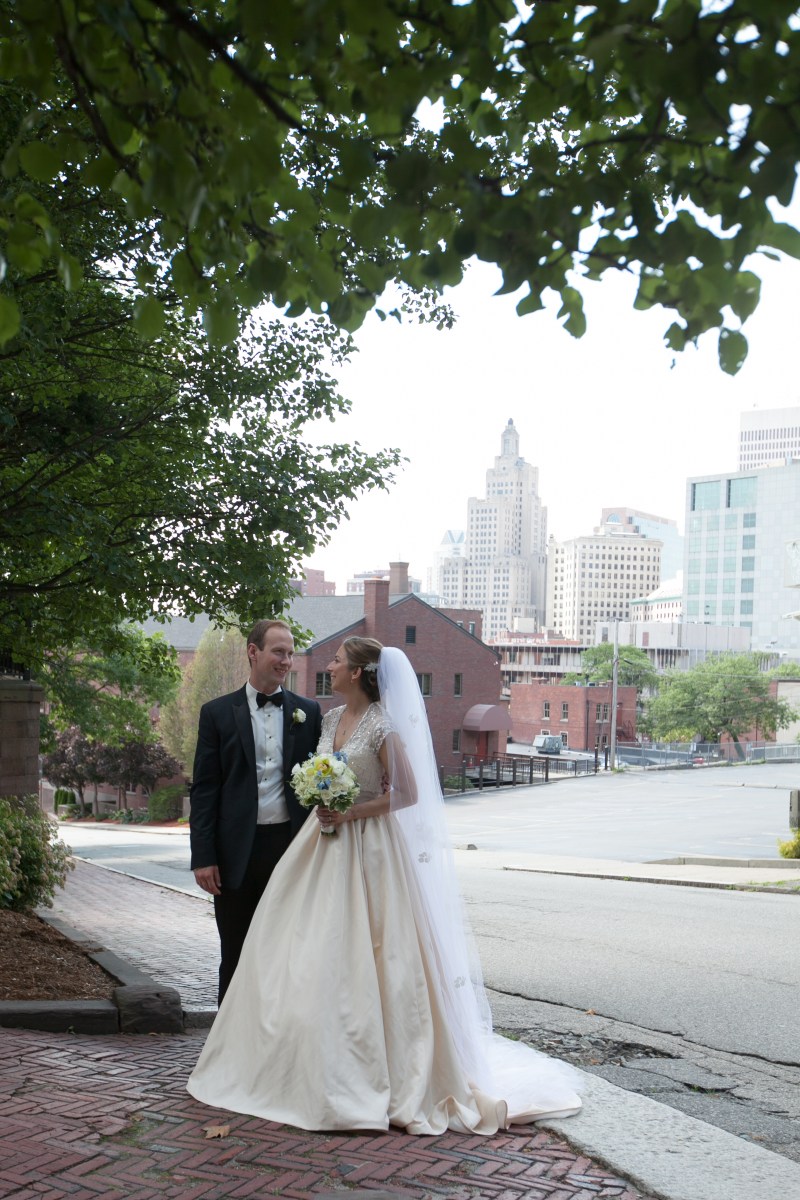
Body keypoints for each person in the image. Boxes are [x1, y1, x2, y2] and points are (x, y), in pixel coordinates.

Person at [187, 636, 581, 1135]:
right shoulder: (326, 720)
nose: (326, 666)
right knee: (301, 953)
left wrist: (351, 810)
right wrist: (322, 802)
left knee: (376, 953)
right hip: (321, 843)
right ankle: (290, 1060)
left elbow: (409, 792)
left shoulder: (382, 724)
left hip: (370, 847)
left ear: (358, 672)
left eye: (337, 661)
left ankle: (374, 1067)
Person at [189, 618, 322, 1003]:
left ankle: (276, 1048)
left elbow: (324, 774)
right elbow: (205, 790)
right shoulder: (216, 713)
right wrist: (203, 856)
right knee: (235, 951)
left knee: (286, 952)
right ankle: (228, 1050)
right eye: (279, 652)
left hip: (290, 850)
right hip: (234, 855)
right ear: (253, 652)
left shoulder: (308, 712)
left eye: (291, 653)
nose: (287, 661)